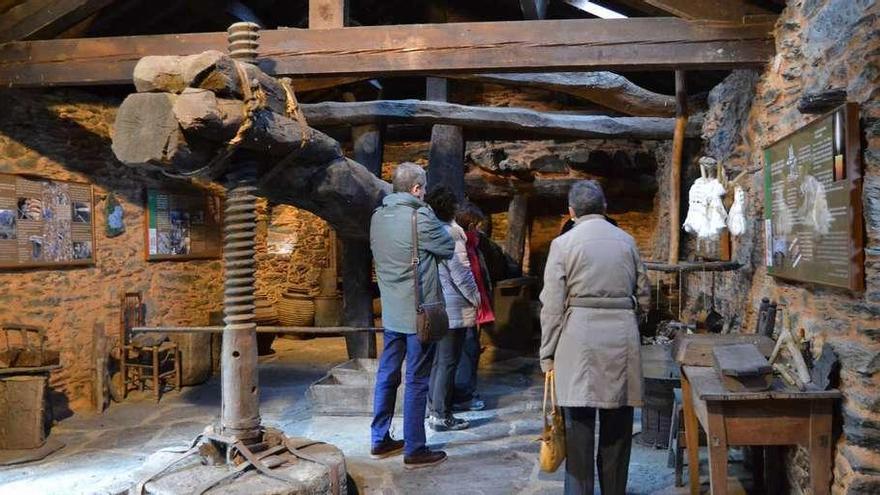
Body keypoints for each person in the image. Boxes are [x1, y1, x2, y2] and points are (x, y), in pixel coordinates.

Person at [539, 180, 650, 495]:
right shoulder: (627, 241)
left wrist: (547, 354)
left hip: (578, 339)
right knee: (618, 426)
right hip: (621, 336)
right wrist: (634, 319)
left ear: (571, 212)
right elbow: (643, 292)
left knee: (578, 427)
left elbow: (551, 305)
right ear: (604, 208)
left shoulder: (563, 245)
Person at [369, 162, 454, 469]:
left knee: (387, 375)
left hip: (391, 314)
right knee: (417, 380)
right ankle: (415, 447)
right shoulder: (421, 217)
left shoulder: (377, 217)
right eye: (424, 189)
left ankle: (379, 439)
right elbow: (447, 248)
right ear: (417, 189)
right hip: (420, 317)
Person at [424, 187, 480, 431]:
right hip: (453, 305)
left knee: (439, 361)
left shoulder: (429, 230)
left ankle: (434, 409)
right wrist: (476, 298)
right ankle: (441, 414)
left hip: (436, 302)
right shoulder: (451, 234)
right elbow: (461, 273)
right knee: (448, 361)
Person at [453, 202, 494, 412]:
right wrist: (476, 299)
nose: (477, 230)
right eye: (475, 226)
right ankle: (462, 395)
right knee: (465, 351)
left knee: (470, 349)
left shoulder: (472, 244)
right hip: (462, 306)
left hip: (472, 304)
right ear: (468, 225)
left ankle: (466, 390)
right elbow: (463, 277)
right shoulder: (458, 244)